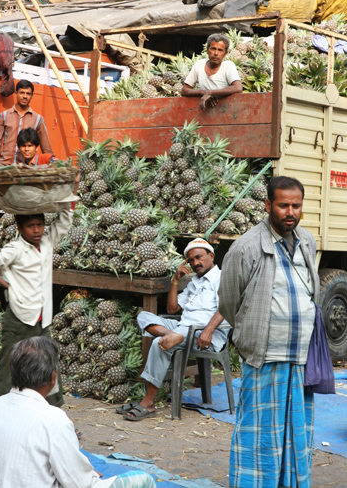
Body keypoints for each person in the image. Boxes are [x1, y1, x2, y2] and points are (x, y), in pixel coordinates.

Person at [218, 176, 319, 488]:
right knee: (259, 437)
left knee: (296, 435)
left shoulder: (307, 241)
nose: (290, 211)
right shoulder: (246, 247)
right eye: (283, 205)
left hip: (300, 359)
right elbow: (229, 303)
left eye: (296, 205)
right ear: (268, 206)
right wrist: (252, 333)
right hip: (265, 358)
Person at [0, 336, 155, 488]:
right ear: (52, 377)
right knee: (143, 480)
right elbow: (80, 484)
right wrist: (86, 474)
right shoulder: (53, 420)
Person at [117, 238, 230, 421]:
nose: (195, 263)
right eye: (191, 260)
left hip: (204, 333)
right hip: (182, 328)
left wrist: (208, 331)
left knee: (158, 344)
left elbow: (226, 307)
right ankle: (171, 335)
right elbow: (172, 310)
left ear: (211, 255)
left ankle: (148, 402)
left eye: (199, 257)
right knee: (143, 316)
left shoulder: (223, 278)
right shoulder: (195, 282)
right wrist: (175, 280)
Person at [0, 201, 76, 406]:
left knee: (50, 364)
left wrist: (72, 192)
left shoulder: (47, 243)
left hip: (43, 318)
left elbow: (64, 221)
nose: (36, 230)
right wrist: (7, 285)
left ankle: (55, 411)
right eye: (31, 226)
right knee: (9, 366)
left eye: (40, 225)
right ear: (20, 228)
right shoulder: (15, 249)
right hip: (18, 319)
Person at [0, 79, 54, 180]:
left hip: (26, 168)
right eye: (22, 93)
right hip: (4, 165)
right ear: (16, 93)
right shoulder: (3, 116)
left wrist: (56, 164)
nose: (25, 96)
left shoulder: (38, 119)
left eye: (28, 94)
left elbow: (47, 150)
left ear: (32, 96)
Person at [181, 33, 242, 111]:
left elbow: (238, 88)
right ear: (207, 50)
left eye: (220, 50)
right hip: (201, 112)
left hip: (225, 111)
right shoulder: (199, 64)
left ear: (225, 54)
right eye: (213, 49)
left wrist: (211, 93)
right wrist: (204, 93)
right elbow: (184, 90)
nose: (216, 53)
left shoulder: (228, 66)